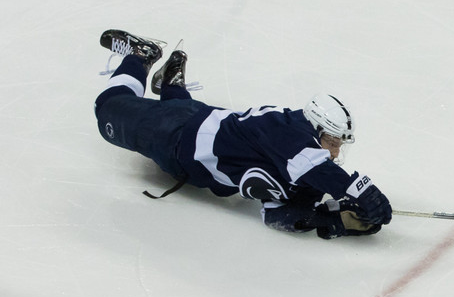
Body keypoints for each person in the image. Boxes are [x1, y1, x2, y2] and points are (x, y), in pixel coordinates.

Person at [93, 29, 392, 238]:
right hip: (172, 134)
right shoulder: (290, 132)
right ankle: (140, 55)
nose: (335, 152)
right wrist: (360, 191)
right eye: (331, 141)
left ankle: (172, 84)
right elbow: (314, 165)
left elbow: (278, 214)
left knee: (182, 109)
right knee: (108, 107)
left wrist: (335, 219)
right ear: (312, 128)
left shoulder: (306, 167)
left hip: (197, 125)